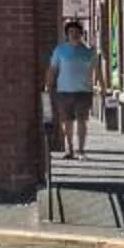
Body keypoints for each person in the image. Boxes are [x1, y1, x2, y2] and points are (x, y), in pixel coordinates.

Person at [43, 19, 99, 160]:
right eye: (70, 32)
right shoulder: (60, 50)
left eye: (76, 32)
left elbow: (97, 70)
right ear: (67, 34)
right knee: (66, 121)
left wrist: (102, 87)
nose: (74, 34)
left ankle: (80, 150)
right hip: (64, 91)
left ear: (81, 34)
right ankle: (70, 149)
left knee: (81, 121)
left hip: (84, 91)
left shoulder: (88, 52)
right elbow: (53, 69)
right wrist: (48, 84)